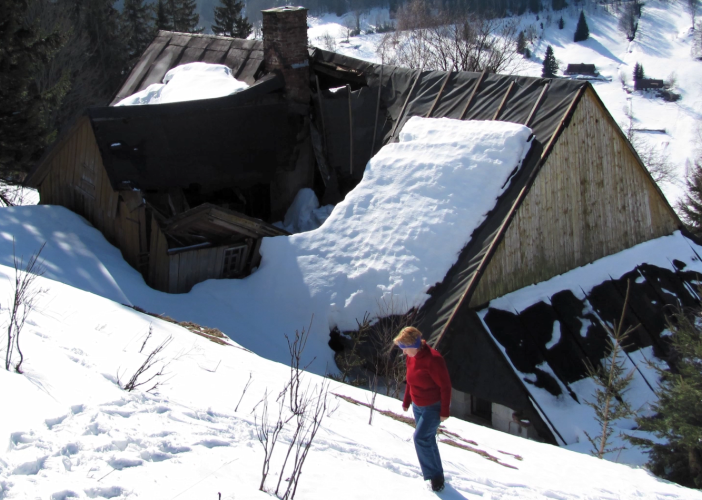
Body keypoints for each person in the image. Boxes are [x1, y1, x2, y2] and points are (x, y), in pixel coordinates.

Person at [394, 326, 452, 492]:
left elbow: (446, 386)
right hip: (418, 407)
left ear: (412, 345)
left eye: (404, 349)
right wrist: (406, 401)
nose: (403, 353)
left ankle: (435, 478)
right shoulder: (411, 358)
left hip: (432, 407)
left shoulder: (434, 360)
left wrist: (444, 412)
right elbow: (410, 381)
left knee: (420, 438)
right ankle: (437, 474)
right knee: (428, 439)